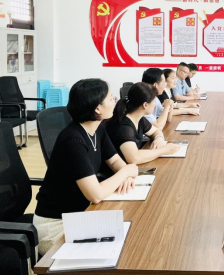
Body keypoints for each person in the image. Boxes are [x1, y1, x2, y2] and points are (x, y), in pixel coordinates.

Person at [33, 79, 140, 256]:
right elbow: (95, 194)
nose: (115, 100)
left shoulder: (98, 129)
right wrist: (127, 171)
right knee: (123, 248)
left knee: (131, 233)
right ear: (97, 109)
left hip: (80, 214)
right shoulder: (72, 139)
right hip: (56, 226)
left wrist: (126, 173)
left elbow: (115, 162)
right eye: (110, 98)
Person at [106, 82, 181, 165]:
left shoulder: (139, 118)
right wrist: (164, 150)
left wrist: (158, 139)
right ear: (145, 105)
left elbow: (156, 131)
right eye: (154, 101)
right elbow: (134, 158)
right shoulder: (124, 127)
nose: (155, 104)